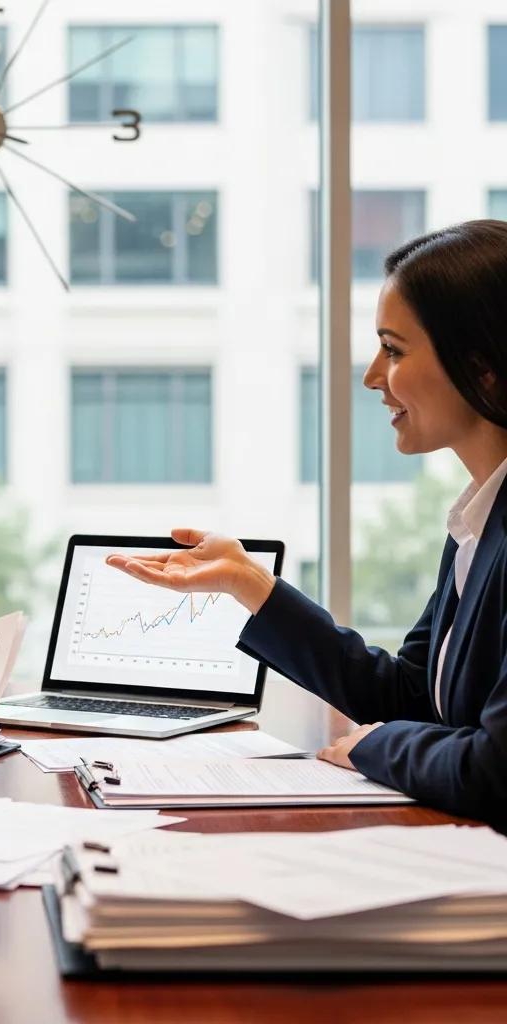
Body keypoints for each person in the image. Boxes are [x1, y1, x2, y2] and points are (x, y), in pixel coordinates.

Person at [108, 219, 507, 831]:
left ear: (482, 368)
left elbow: (497, 769)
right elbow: (412, 698)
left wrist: (370, 748)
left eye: (394, 350)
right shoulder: (478, 521)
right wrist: (253, 587)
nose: (374, 376)